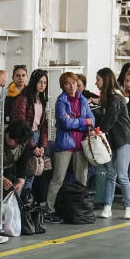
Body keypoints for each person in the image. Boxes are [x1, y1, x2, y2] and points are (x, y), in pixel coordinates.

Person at [45, 72, 95, 224]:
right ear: (63, 86)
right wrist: (83, 122)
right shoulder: (61, 101)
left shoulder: (83, 100)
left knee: (82, 179)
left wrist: (77, 121)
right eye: (67, 83)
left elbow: (92, 119)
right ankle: (49, 210)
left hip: (81, 145)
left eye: (74, 82)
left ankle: (81, 207)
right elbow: (65, 123)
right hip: (64, 145)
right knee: (58, 179)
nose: (72, 86)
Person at [94, 68, 130, 220]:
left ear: (105, 80)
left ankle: (129, 207)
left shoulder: (115, 99)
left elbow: (109, 120)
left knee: (122, 175)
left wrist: (98, 130)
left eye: (98, 79)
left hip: (124, 140)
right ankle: (108, 206)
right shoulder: (108, 98)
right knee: (111, 174)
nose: (96, 82)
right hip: (112, 141)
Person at [10, 69, 49, 191]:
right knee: (23, 172)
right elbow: (20, 124)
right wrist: (32, 146)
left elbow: (43, 125)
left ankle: (26, 202)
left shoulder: (41, 100)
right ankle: (18, 204)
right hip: (24, 137)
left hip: (36, 135)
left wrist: (43, 145)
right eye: (40, 82)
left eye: (45, 83)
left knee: (33, 170)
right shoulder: (23, 99)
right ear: (33, 82)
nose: (42, 85)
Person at [1, 119, 33, 194]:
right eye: (15, 142)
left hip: (8, 168)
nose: (17, 146)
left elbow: (23, 162)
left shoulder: (23, 140)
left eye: (19, 143)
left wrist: (21, 181)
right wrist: (1, 178)